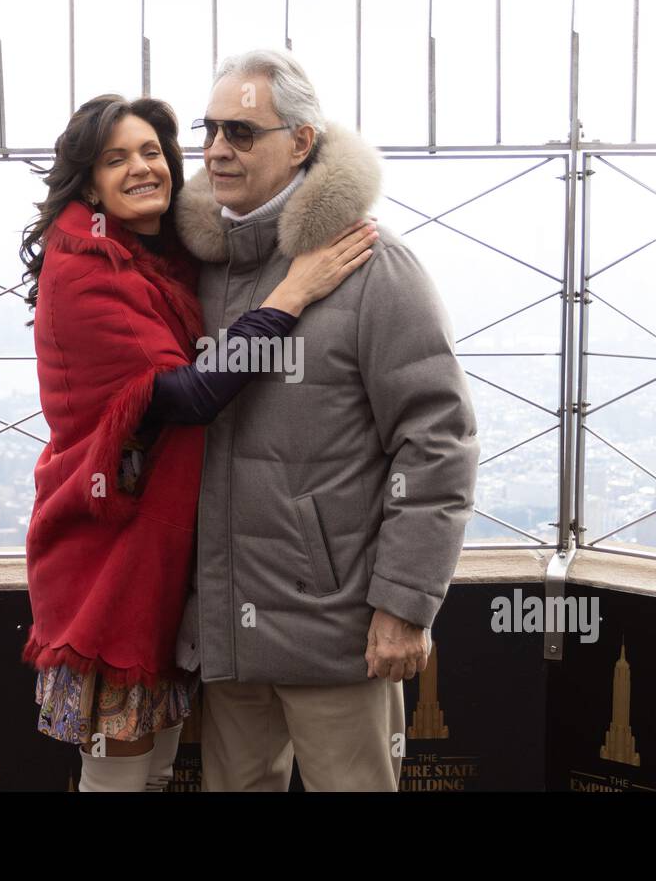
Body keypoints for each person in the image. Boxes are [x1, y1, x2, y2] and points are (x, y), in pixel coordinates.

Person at [18, 93, 376, 791]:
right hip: (111, 560)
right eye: (116, 159)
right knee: (120, 779)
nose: (141, 168)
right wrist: (291, 294)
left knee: (150, 771)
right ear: (88, 183)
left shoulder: (156, 255)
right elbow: (191, 395)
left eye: (152, 151)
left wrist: (323, 187)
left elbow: (265, 177)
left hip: (161, 555)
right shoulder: (88, 270)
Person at [173, 49, 480, 791]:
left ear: (301, 142)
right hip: (227, 636)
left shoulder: (374, 268)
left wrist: (405, 605)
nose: (217, 149)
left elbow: (436, 440)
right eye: (209, 129)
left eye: (242, 132)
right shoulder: (195, 269)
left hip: (337, 638)